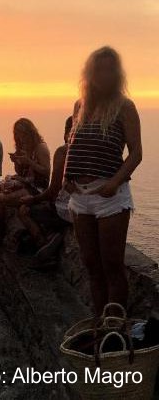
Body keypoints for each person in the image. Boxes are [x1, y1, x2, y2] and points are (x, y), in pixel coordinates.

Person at [64, 47, 142, 315]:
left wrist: (114, 183)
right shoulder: (80, 105)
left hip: (111, 197)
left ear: (117, 74)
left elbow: (136, 152)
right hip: (81, 197)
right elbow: (73, 144)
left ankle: (115, 329)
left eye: (111, 69)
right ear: (90, 73)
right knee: (91, 265)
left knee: (112, 265)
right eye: (100, 69)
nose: (105, 75)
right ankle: (100, 325)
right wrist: (66, 176)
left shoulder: (124, 107)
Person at [19, 116, 74, 270]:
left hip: (66, 211)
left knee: (25, 210)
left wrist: (33, 199)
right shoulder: (93, 152)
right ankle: (54, 234)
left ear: (67, 132)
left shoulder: (63, 152)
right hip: (88, 211)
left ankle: (45, 247)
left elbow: (53, 190)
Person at [0, 118, 50, 239]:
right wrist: (17, 162)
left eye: (23, 134)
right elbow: (20, 172)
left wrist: (29, 161)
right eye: (18, 135)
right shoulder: (23, 147)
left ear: (30, 133)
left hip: (37, 187)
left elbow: (46, 171)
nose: (21, 138)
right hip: (25, 183)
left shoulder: (40, 148)